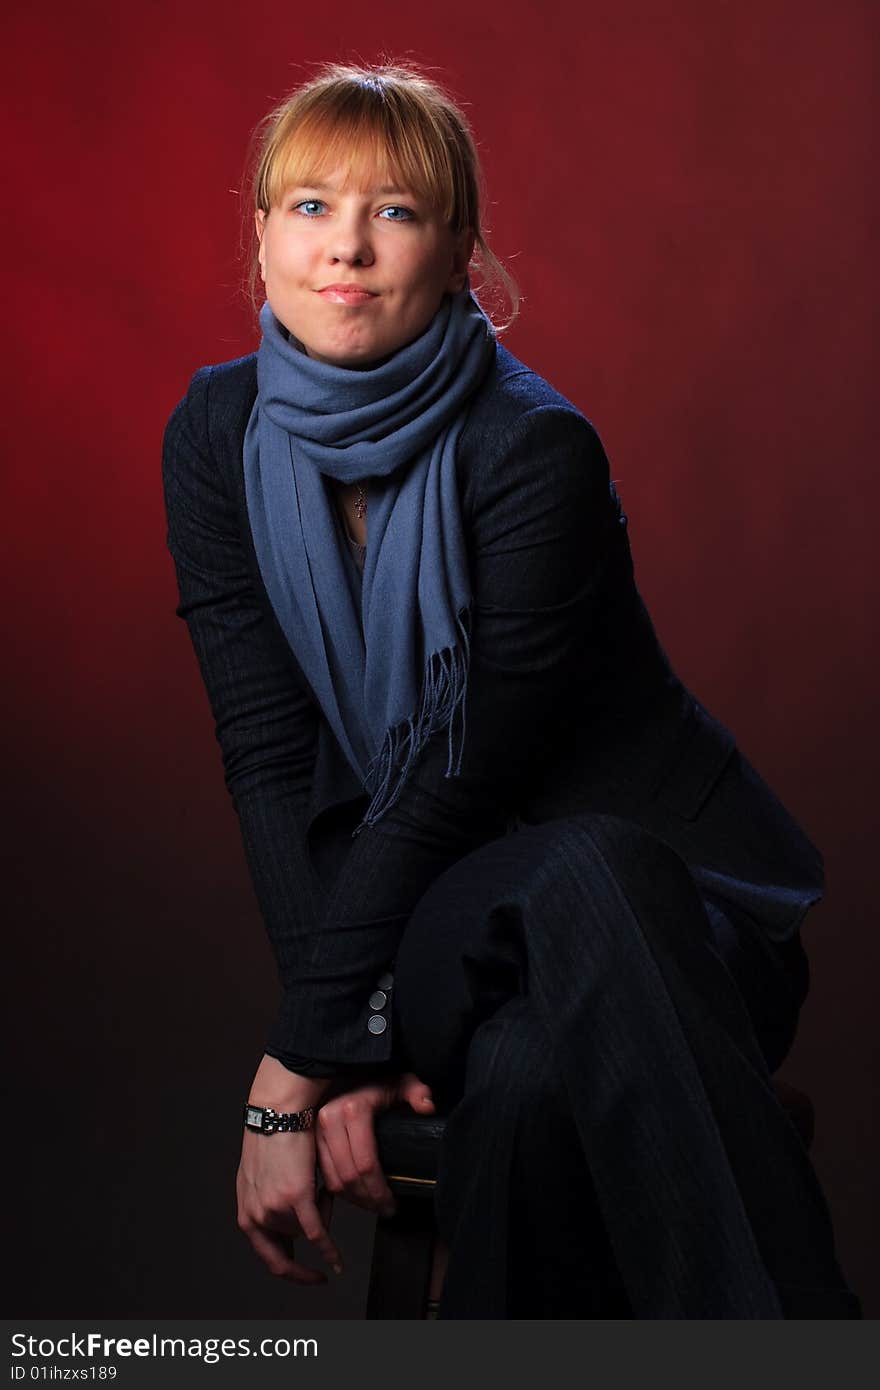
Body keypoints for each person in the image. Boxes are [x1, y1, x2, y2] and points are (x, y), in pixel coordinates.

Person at [162, 61, 861, 1318]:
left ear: (458, 248)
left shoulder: (532, 448)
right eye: (311, 207)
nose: (348, 250)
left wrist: (289, 1071)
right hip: (438, 933)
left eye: (396, 212)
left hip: (680, 932)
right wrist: (345, 1043)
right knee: (575, 880)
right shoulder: (216, 436)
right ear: (259, 235)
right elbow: (266, 759)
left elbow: (450, 779)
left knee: (545, 1054)